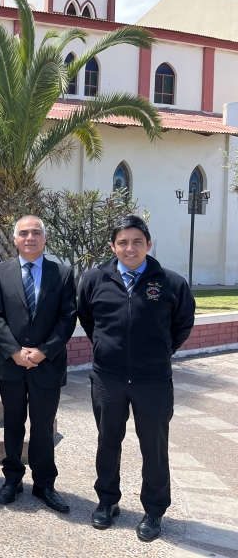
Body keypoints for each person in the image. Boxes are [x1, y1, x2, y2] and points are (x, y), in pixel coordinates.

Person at [78, 215, 195, 542]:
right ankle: (107, 502)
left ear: (148, 244)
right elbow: (89, 321)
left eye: (137, 241)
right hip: (108, 378)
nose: (130, 248)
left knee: (154, 446)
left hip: (153, 380)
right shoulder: (93, 280)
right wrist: (106, 348)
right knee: (107, 441)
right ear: (114, 246)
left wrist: (160, 351)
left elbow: (182, 324)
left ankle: (154, 510)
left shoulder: (171, 283)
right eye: (123, 242)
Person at [0, 215, 77, 512]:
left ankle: (44, 484)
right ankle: (12, 479)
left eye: (36, 233)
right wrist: (14, 351)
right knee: (13, 424)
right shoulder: (0, 272)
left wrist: (43, 351)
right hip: (11, 364)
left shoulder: (62, 274)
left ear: (44, 238)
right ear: (14, 239)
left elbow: (67, 319)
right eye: (24, 233)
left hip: (47, 365)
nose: (30, 238)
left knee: (42, 427)